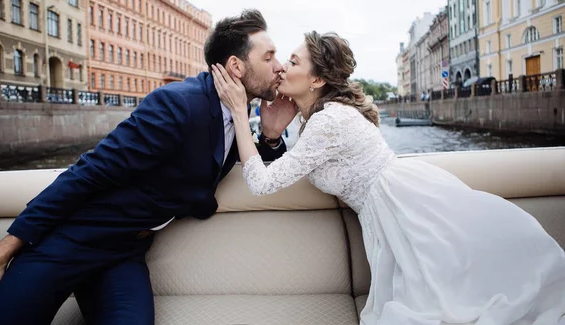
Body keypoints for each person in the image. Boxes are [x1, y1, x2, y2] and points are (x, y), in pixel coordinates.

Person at [0, 9, 297, 325]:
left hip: (124, 252)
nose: (279, 67)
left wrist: (270, 136)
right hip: (75, 238)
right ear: (236, 67)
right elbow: (88, 172)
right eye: (269, 57)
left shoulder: (234, 115)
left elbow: (261, 175)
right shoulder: (178, 104)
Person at [211, 31, 565, 325]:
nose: (282, 68)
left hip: (407, 210)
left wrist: (241, 115)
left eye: (293, 62)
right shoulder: (317, 118)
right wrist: (272, 134)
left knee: (455, 303)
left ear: (317, 79)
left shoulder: (327, 121)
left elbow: (260, 183)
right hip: (396, 206)